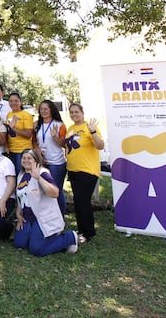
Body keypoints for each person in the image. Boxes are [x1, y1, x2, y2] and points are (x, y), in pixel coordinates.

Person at [14, 149, 78, 256]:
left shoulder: (43, 173)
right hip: (27, 217)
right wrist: (18, 213)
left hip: (42, 217)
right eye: (23, 158)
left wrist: (38, 178)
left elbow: (55, 193)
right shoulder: (21, 175)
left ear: (36, 160)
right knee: (19, 244)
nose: (26, 160)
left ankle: (69, 238)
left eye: (29, 158)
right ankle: (39, 237)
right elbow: (21, 197)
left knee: (36, 250)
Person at [65, 103, 104, 244]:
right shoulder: (71, 128)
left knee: (83, 201)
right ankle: (82, 230)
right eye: (71, 112)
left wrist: (93, 132)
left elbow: (100, 146)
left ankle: (88, 232)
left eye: (76, 112)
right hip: (73, 170)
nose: (74, 114)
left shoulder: (89, 127)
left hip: (87, 170)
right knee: (78, 201)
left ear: (82, 112)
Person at [33, 100, 68, 214]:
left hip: (56, 163)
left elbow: (64, 144)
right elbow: (34, 142)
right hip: (42, 162)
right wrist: (38, 152)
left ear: (52, 110)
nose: (43, 111)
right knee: (43, 189)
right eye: (41, 109)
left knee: (56, 190)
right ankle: (49, 214)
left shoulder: (59, 125)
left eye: (46, 109)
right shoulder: (36, 124)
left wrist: (55, 137)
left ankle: (60, 215)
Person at [5, 92, 34, 171]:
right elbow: (8, 132)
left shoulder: (26, 115)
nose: (13, 103)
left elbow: (28, 134)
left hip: (22, 150)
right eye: (11, 101)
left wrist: (14, 128)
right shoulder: (9, 114)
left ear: (21, 102)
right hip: (11, 150)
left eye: (16, 101)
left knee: (21, 175)